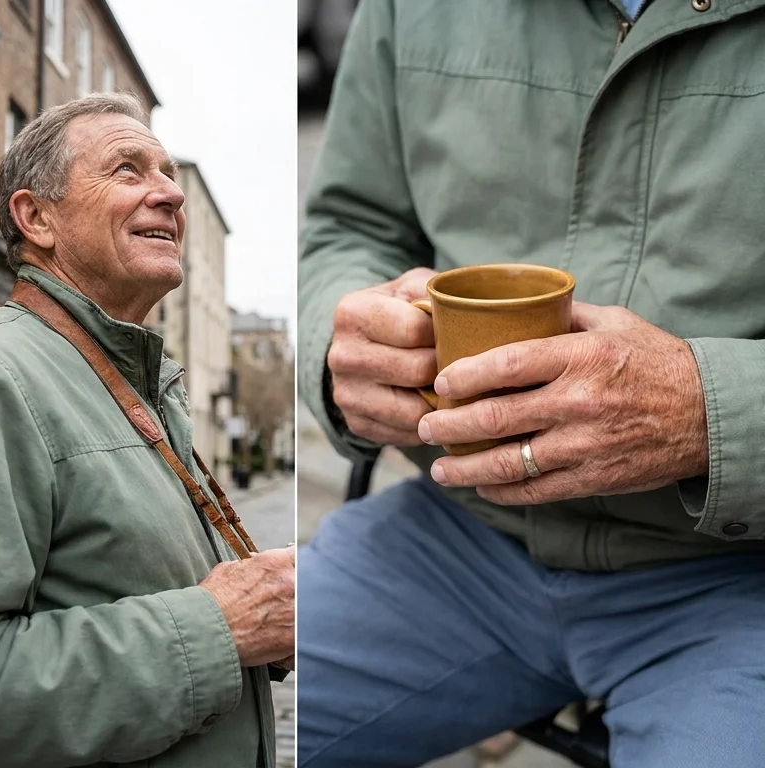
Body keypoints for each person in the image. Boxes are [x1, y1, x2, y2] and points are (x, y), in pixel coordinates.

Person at [297, 1, 765, 766]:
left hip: (734, 574)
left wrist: (715, 413)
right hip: (459, 542)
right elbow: (350, 228)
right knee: (213, 711)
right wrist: (338, 341)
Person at [0, 93, 294, 768]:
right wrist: (217, 629)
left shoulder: (139, 381)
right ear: (36, 218)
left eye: (168, 173)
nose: (169, 194)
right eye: (128, 169)